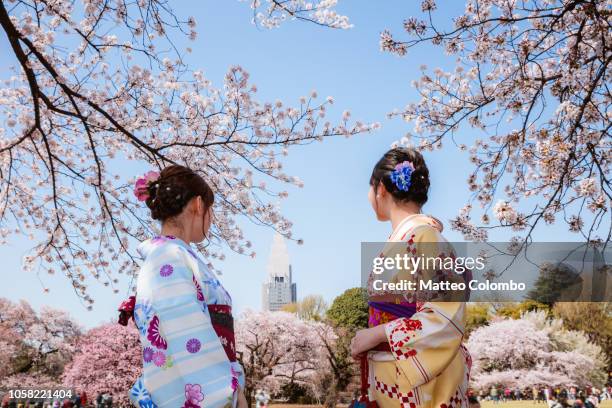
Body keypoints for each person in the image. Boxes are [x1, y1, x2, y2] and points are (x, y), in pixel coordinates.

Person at [349, 147, 471, 407]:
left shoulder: (424, 237)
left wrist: (378, 333)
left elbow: (444, 317)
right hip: (393, 374)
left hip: (416, 381)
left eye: (370, 188)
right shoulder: (408, 239)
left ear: (381, 188)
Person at [120, 165, 247, 408]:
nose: (210, 219)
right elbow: (188, 334)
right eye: (211, 210)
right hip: (206, 391)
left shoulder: (171, 256)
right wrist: (229, 394)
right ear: (198, 204)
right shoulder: (169, 257)